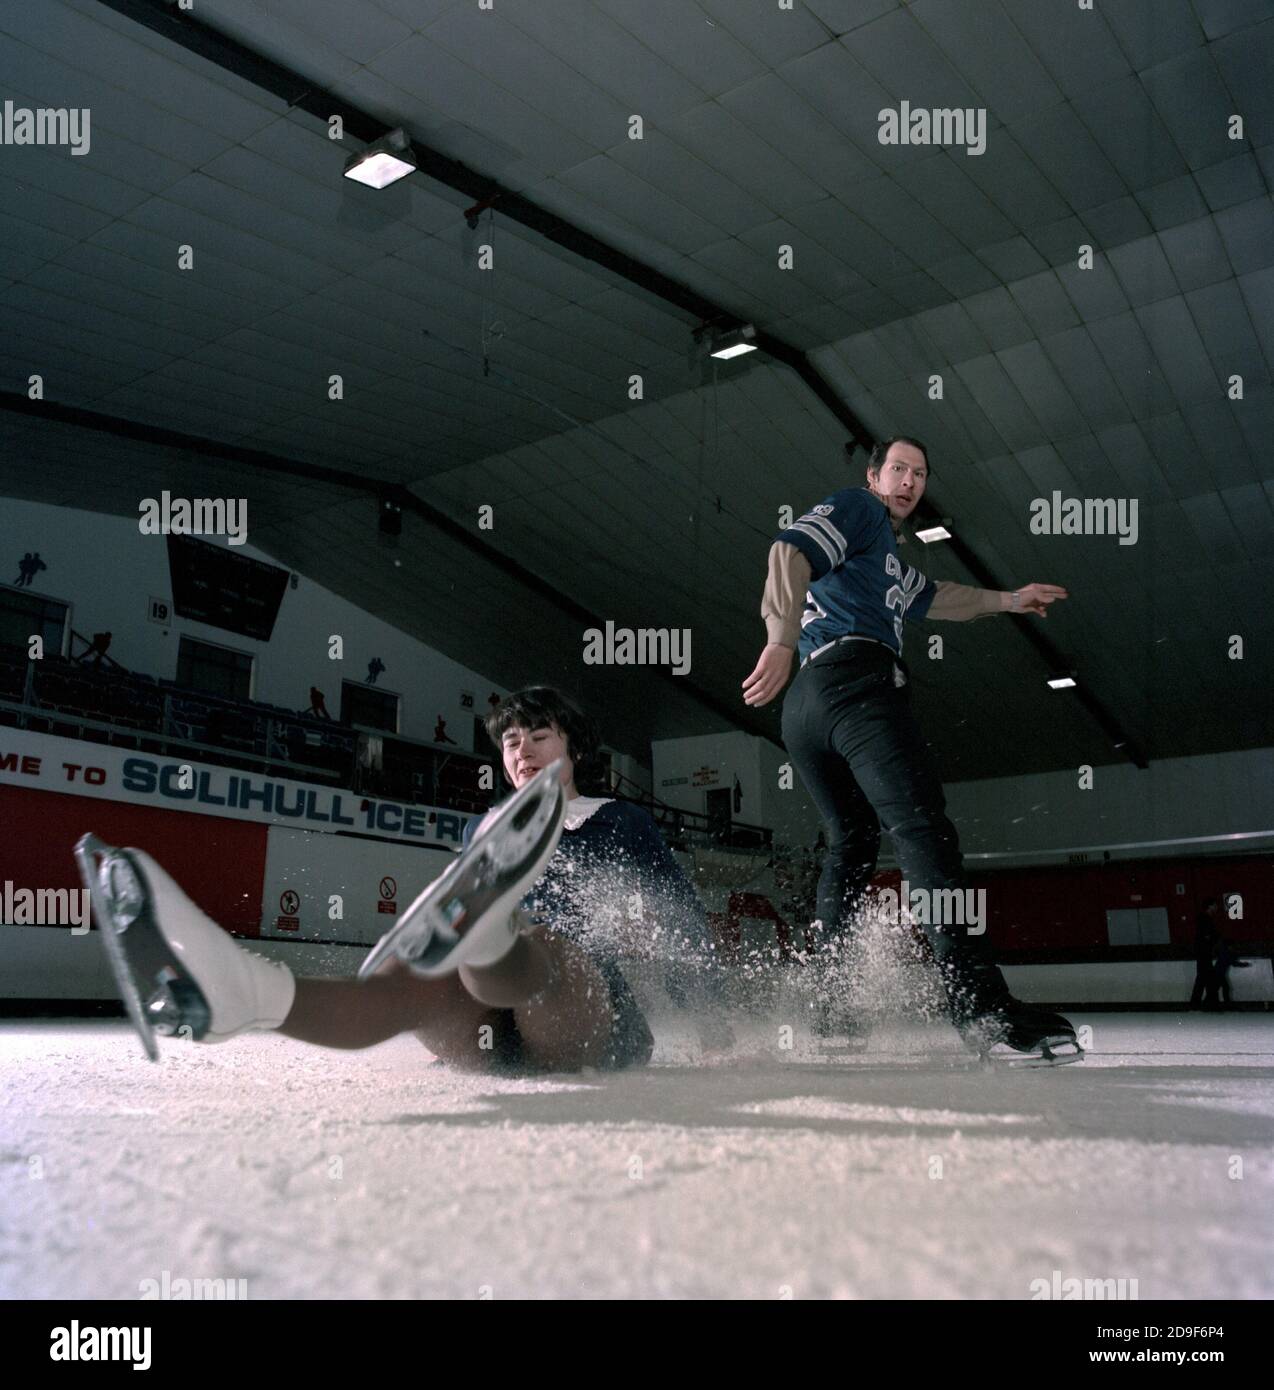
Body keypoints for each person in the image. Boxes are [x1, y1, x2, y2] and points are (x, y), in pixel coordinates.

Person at [83, 686, 718, 1074]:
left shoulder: (620, 820)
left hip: (585, 1017)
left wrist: (708, 1011)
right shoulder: (487, 831)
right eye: (512, 742)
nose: (522, 752)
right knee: (426, 976)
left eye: (540, 737)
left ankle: (496, 935)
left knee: (543, 946)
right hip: (489, 1033)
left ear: (575, 749)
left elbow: (683, 923)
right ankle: (245, 996)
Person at [742, 435, 1078, 1059]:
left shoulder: (886, 561)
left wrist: (1009, 599)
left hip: (805, 713)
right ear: (874, 476)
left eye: (919, 474)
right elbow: (789, 548)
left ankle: (829, 1002)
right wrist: (780, 637)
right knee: (922, 830)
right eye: (897, 469)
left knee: (854, 839)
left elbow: (942, 597)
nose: (909, 481)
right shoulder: (861, 511)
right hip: (855, 686)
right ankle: (981, 1008)